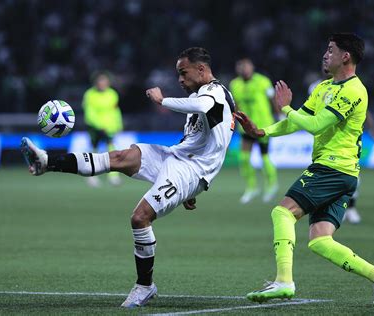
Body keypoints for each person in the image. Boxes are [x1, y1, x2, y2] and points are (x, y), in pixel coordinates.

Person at [20, 47, 235, 308]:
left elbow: (204, 107)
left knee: (139, 217)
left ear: (201, 69)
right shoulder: (200, 97)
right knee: (121, 157)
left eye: (183, 72)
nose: (180, 79)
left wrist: (162, 100)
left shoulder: (214, 93)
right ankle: (46, 162)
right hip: (177, 158)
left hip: (192, 170)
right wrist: (187, 193)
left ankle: (145, 285)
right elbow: (194, 138)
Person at [236, 33, 374, 308]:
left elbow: (315, 125)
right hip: (340, 173)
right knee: (320, 240)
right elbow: (301, 120)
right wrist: (263, 130)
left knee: (282, 212)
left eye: (331, 50)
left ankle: (284, 281)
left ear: (345, 56)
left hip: (334, 167)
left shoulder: (354, 90)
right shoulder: (324, 86)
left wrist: (286, 107)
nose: (325, 55)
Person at [309, 75, 374, 224]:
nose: (327, 60)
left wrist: (372, 128)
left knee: (353, 177)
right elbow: (312, 112)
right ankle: (329, 211)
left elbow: (364, 110)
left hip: (345, 140)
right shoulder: (316, 87)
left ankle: (351, 209)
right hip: (324, 141)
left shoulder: (351, 87)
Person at [229, 58, 278, 203]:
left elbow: (272, 99)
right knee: (243, 158)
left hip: (263, 125)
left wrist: (279, 113)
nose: (244, 69)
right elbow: (236, 105)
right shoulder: (234, 84)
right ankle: (251, 188)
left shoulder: (263, 81)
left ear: (252, 68)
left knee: (264, 157)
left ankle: (271, 185)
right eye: (241, 67)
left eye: (246, 67)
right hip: (245, 126)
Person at [82, 71, 123, 186]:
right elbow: (89, 112)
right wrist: (99, 126)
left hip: (109, 128)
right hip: (95, 128)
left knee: (112, 150)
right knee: (93, 150)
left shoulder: (112, 94)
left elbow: (115, 110)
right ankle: (91, 175)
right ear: (96, 82)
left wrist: (118, 124)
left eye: (104, 81)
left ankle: (113, 176)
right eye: (100, 81)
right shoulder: (90, 94)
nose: (102, 83)